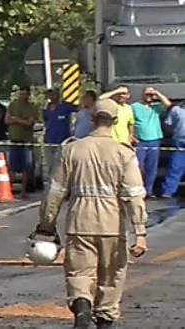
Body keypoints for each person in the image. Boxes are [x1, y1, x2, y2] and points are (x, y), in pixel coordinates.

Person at [36, 98, 148, 329]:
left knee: (79, 273)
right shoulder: (124, 153)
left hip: (79, 222)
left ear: (91, 118)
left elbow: (55, 191)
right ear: (116, 121)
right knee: (111, 277)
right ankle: (104, 321)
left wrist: (46, 223)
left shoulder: (72, 149)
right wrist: (140, 232)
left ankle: (83, 312)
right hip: (112, 226)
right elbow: (134, 195)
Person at [131, 86, 171, 198]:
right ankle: (139, 189)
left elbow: (167, 104)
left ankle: (149, 191)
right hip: (140, 141)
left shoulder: (156, 107)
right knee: (139, 167)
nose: (149, 96)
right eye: (147, 94)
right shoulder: (134, 106)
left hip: (154, 141)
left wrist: (156, 93)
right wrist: (131, 135)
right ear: (142, 94)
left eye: (151, 95)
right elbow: (130, 121)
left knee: (151, 168)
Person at [5, 86, 39, 199]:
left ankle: (23, 191)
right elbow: (7, 120)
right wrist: (19, 120)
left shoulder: (32, 107)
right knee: (12, 167)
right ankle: (8, 190)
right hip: (14, 139)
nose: (22, 96)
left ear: (28, 95)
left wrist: (16, 119)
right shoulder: (12, 104)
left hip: (26, 140)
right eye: (20, 94)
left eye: (24, 94)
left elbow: (29, 123)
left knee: (26, 167)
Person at [43, 88, 78, 177]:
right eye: (50, 95)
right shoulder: (46, 108)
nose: (52, 97)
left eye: (53, 94)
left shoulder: (65, 106)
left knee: (61, 166)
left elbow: (78, 110)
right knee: (50, 165)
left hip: (62, 141)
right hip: (49, 140)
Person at [160, 102, 185, 201]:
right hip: (179, 142)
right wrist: (173, 133)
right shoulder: (176, 109)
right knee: (175, 167)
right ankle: (168, 191)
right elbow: (168, 124)